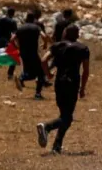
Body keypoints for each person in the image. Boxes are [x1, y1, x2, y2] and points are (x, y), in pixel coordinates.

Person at [37, 23, 90, 154]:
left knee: (64, 115)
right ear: (77, 35)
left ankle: (57, 146)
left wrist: (48, 75)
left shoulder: (57, 46)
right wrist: (82, 88)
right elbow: (86, 71)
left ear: (65, 33)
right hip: (72, 83)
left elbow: (44, 60)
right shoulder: (83, 48)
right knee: (67, 117)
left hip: (59, 82)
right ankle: (47, 127)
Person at [14, 9, 47, 99]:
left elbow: (12, 39)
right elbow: (44, 36)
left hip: (23, 53)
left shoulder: (21, 28)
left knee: (31, 72)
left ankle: (22, 78)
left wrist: (17, 46)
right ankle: (37, 94)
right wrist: (45, 44)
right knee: (41, 73)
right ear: (33, 19)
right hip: (33, 53)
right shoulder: (36, 27)